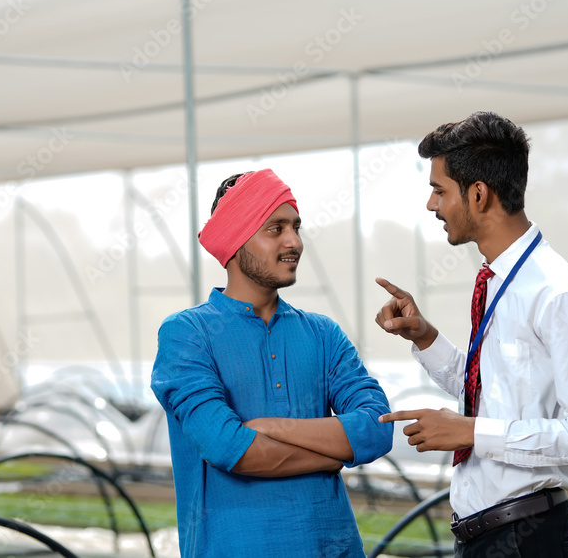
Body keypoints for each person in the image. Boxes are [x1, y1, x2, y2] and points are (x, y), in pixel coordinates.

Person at [374, 112, 568, 557]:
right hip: (484, 537)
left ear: (479, 194)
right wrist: (426, 337)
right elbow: (492, 390)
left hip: (529, 539)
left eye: (438, 190)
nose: (432, 206)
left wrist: (471, 432)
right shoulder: (498, 281)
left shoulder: (560, 292)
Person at [151, 169, 393, 557]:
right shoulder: (186, 334)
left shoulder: (322, 333)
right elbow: (230, 448)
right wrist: (335, 454)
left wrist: (270, 427)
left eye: (296, 227)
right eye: (275, 228)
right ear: (235, 238)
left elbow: (377, 429)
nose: (294, 242)